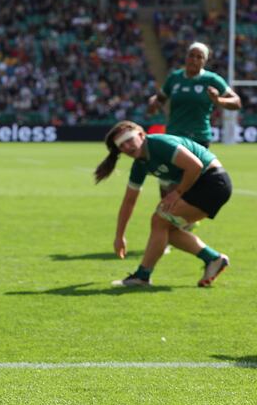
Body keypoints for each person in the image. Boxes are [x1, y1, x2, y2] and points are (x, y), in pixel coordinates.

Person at [94, 121, 232, 288]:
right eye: (122, 145)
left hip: (212, 182)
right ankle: (213, 259)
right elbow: (129, 201)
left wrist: (177, 193)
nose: (127, 147)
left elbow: (195, 166)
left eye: (129, 140)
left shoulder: (158, 143)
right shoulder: (140, 164)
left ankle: (142, 276)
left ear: (141, 135)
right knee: (166, 229)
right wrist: (119, 236)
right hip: (207, 185)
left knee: (159, 220)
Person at [147, 42, 241, 148]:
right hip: (174, 137)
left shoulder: (212, 79)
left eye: (199, 57)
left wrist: (218, 100)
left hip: (199, 138)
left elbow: (237, 102)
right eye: (191, 55)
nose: (194, 60)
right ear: (186, 57)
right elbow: (159, 100)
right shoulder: (174, 77)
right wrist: (153, 104)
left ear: (205, 61)